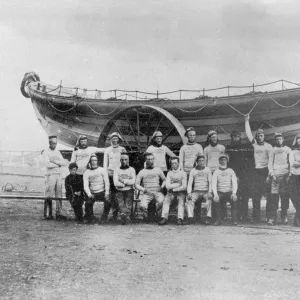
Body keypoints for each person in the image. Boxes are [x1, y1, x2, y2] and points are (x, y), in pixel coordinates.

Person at [245, 114, 273, 223]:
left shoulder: (269, 146)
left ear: (264, 136)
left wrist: (270, 174)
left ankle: (269, 218)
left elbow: (271, 161)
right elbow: (248, 134)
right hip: (257, 171)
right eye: (258, 135)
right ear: (256, 136)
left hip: (266, 171)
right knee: (255, 195)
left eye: (261, 135)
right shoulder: (255, 145)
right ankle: (256, 218)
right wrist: (246, 120)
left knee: (269, 195)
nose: (259, 136)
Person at [226, 130, 254, 222]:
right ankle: (236, 216)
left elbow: (249, 159)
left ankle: (245, 216)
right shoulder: (228, 148)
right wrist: (234, 176)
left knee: (245, 196)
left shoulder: (244, 147)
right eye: (234, 136)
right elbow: (228, 163)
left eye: (238, 136)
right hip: (234, 175)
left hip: (244, 175)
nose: (236, 138)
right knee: (235, 196)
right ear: (232, 137)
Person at [42, 135, 68, 220]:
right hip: (50, 175)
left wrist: (55, 162)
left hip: (58, 175)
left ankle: (59, 213)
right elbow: (47, 164)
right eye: (53, 143)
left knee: (59, 194)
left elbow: (64, 162)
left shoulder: (57, 152)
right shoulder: (46, 152)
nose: (54, 144)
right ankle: (47, 214)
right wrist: (58, 163)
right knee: (49, 194)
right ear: (49, 143)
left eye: (55, 143)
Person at [267, 132, 291, 226]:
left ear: (283, 139)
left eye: (280, 139)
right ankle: (273, 217)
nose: (278, 140)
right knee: (274, 197)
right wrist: (272, 174)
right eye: (277, 139)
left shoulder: (288, 149)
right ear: (275, 140)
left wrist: (289, 175)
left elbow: (291, 163)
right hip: (275, 176)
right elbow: (270, 163)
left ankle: (284, 216)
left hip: (285, 176)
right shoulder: (273, 150)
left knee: (285, 197)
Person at [135, 152, 166, 221]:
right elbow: (136, 184)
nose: (150, 161)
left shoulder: (158, 169)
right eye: (148, 159)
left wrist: (161, 187)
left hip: (157, 191)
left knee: (161, 202)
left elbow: (165, 180)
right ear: (145, 160)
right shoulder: (142, 171)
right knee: (142, 206)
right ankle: (146, 217)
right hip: (147, 192)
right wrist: (144, 190)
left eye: (152, 159)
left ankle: (158, 217)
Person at [103, 132, 126, 220]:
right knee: (112, 195)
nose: (114, 140)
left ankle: (123, 214)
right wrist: (105, 174)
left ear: (119, 139)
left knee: (120, 194)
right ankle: (114, 214)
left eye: (116, 138)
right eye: (113, 138)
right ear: (111, 140)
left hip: (120, 175)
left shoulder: (122, 149)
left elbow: (125, 162)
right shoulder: (107, 150)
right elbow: (105, 164)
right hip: (110, 174)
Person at [159, 157, 187, 226]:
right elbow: (167, 186)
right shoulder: (169, 173)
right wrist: (178, 184)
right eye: (172, 163)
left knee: (181, 201)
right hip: (171, 192)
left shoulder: (183, 173)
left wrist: (175, 188)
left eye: (175, 163)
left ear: (178, 164)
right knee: (166, 200)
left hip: (180, 192)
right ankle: (164, 218)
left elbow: (184, 186)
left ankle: (180, 218)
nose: (174, 165)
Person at [83, 153, 110, 224]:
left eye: (95, 160)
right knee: (88, 203)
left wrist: (107, 193)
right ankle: (91, 218)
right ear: (90, 162)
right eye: (92, 160)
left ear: (97, 161)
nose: (94, 162)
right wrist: (89, 194)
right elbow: (85, 186)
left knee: (108, 201)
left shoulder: (102, 170)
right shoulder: (87, 172)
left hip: (101, 192)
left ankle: (104, 217)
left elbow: (107, 182)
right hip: (92, 193)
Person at [212, 153, 238, 226]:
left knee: (234, 199)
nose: (223, 161)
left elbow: (234, 183)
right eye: (221, 160)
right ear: (219, 161)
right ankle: (218, 220)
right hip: (220, 192)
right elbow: (213, 183)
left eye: (224, 160)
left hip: (229, 192)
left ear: (227, 161)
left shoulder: (231, 171)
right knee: (215, 200)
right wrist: (215, 194)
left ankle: (234, 220)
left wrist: (234, 193)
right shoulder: (216, 171)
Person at [186, 154, 212, 224]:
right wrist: (189, 192)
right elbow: (190, 183)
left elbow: (210, 182)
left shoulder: (208, 169)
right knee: (189, 199)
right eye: (199, 161)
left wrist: (210, 191)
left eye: (203, 161)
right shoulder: (193, 170)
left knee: (209, 199)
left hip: (205, 191)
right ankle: (190, 218)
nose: (201, 162)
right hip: (196, 191)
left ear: (204, 161)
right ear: (197, 161)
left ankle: (208, 218)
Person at [113, 152, 136, 225]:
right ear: (120, 160)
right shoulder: (116, 169)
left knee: (128, 204)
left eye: (125, 159)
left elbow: (133, 181)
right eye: (122, 160)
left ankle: (125, 216)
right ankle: (125, 217)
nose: (124, 161)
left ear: (128, 160)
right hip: (119, 191)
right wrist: (124, 184)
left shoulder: (131, 169)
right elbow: (115, 183)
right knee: (121, 204)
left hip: (129, 190)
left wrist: (122, 181)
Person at [289, 133, 300, 227]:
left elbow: (297, 163)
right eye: (298, 138)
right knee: (294, 196)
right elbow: (292, 163)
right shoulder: (292, 152)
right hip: (294, 175)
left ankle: (297, 219)